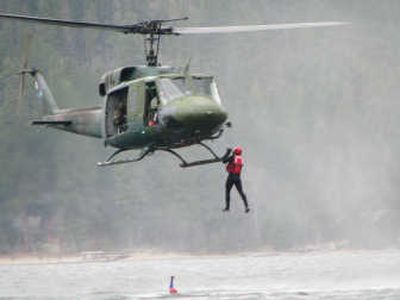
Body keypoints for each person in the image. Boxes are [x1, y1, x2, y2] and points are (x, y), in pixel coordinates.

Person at [222, 146, 250, 213]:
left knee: (228, 191)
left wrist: (227, 152)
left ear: (235, 152)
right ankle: (246, 207)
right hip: (237, 178)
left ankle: (227, 207)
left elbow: (223, 161)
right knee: (241, 192)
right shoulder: (240, 159)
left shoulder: (232, 158)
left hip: (231, 177)